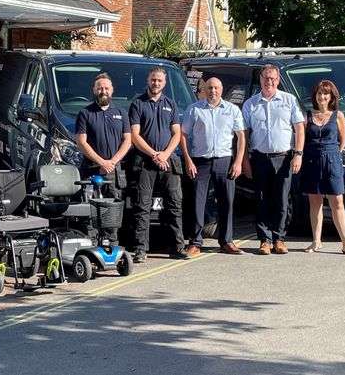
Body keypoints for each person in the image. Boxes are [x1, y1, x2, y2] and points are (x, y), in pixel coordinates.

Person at [242, 64, 305, 255]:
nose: (269, 81)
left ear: (278, 80)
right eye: (265, 78)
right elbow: (243, 134)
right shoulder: (250, 104)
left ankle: (279, 239)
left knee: (281, 200)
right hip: (259, 158)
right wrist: (244, 160)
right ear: (260, 79)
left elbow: (300, 129)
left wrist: (298, 154)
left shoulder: (289, 100)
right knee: (261, 199)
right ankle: (264, 240)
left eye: (272, 78)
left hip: (284, 157)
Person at [181, 77, 246, 256]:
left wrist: (238, 161)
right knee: (197, 202)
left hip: (225, 161)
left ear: (221, 90)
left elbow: (241, 136)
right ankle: (195, 242)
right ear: (205, 90)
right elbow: (183, 135)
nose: (213, 91)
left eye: (216, 88)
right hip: (200, 161)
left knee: (227, 201)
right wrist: (188, 160)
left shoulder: (232, 110)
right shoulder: (194, 109)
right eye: (209, 88)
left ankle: (226, 241)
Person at [129, 66, 186, 262]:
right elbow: (135, 135)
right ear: (148, 80)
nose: (156, 83)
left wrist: (165, 155)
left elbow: (177, 133)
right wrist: (154, 154)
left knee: (174, 205)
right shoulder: (138, 103)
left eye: (160, 81)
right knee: (142, 206)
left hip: (168, 161)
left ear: (165, 83)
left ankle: (178, 247)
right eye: (153, 80)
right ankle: (140, 249)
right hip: (145, 162)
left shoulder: (171, 104)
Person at [301, 80, 345, 256]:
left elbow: (343, 139)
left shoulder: (338, 115)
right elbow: (302, 138)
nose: (322, 97)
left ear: (331, 97)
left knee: (337, 201)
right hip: (312, 161)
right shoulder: (307, 116)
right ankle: (316, 241)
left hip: (332, 161)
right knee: (315, 202)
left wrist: (335, 153)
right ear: (315, 96)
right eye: (319, 94)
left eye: (325, 94)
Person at [74, 73, 132, 244]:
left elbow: (128, 140)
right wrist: (102, 162)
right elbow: (81, 142)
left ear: (112, 90)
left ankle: (111, 244)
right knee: (90, 210)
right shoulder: (85, 113)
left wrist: (112, 162)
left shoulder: (121, 113)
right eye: (100, 88)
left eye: (106, 88)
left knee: (112, 211)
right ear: (94, 90)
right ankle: (91, 245)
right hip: (91, 171)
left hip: (114, 172)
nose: (103, 91)